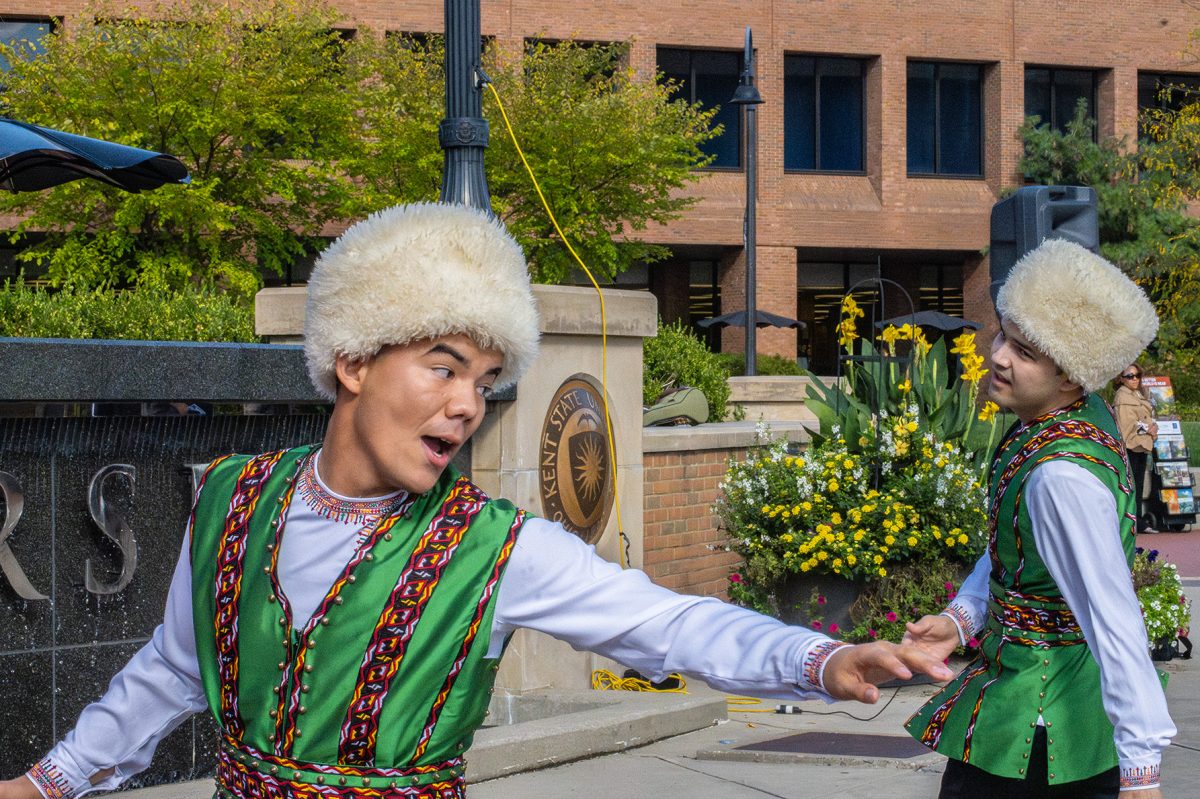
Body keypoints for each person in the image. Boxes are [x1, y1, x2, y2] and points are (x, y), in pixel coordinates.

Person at [0, 203, 952, 799]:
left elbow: (665, 624)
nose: (467, 404)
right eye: (444, 365)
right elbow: (171, 668)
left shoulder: (495, 550)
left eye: (487, 379)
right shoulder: (233, 500)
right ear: (355, 357)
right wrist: (51, 781)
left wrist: (819, 658)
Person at [902, 239, 1176, 799]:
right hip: (1037, 709)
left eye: (1026, 352)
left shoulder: (1061, 476)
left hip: (1043, 724)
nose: (999, 355)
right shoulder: (1065, 420)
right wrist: (962, 618)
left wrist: (1142, 772)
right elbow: (1021, 544)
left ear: (1072, 376)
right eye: (1004, 334)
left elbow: (1112, 618)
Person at [1113, 364, 1158, 533]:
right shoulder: (1122, 397)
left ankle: (1138, 521)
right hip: (1131, 446)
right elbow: (1126, 426)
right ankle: (1131, 522)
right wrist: (1148, 428)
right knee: (1130, 486)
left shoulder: (1138, 394)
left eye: (1137, 375)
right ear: (1121, 379)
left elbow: (1145, 419)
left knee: (1138, 486)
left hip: (1141, 446)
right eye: (1130, 376)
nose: (1135, 379)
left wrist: (1152, 427)